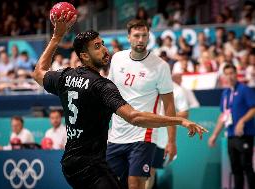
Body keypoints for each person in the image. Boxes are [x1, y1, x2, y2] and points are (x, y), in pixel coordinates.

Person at [33, 11, 207, 189]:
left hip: (70, 162)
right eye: (97, 47)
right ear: (85, 56)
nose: (104, 50)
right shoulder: (102, 86)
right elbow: (135, 117)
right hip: (91, 164)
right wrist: (180, 120)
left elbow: (38, 73)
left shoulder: (66, 76)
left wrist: (56, 36)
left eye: (102, 44)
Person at [106, 19, 177, 189]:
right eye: (136, 35)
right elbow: (109, 94)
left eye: (144, 35)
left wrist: (171, 141)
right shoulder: (117, 59)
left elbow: (169, 106)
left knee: (135, 184)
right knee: (111, 183)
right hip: (116, 135)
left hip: (143, 135)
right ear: (128, 37)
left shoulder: (161, 66)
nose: (140, 39)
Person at [208, 64, 255, 189]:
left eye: (231, 73)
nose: (229, 76)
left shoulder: (245, 89)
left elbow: (253, 108)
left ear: (236, 74)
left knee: (247, 166)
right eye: (226, 74)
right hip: (231, 136)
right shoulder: (225, 93)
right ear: (224, 77)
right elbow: (223, 115)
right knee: (236, 168)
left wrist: (242, 121)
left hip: (244, 135)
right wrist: (214, 135)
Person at [146, 82, 189, 189]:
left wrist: (164, 118)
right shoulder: (147, 83)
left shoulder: (177, 90)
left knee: (150, 169)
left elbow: (184, 113)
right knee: (138, 170)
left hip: (160, 140)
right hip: (142, 134)